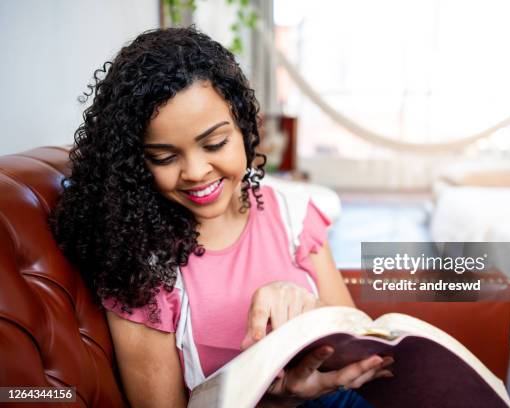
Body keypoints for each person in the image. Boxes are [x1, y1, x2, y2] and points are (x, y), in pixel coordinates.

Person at [49, 27, 392, 408]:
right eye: (164, 157)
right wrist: (275, 402)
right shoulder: (140, 266)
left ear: (245, 128)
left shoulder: (294, 214)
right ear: (136, 163)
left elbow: (355, 338)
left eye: (215, 144)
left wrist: (309, 318)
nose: (195, 171)